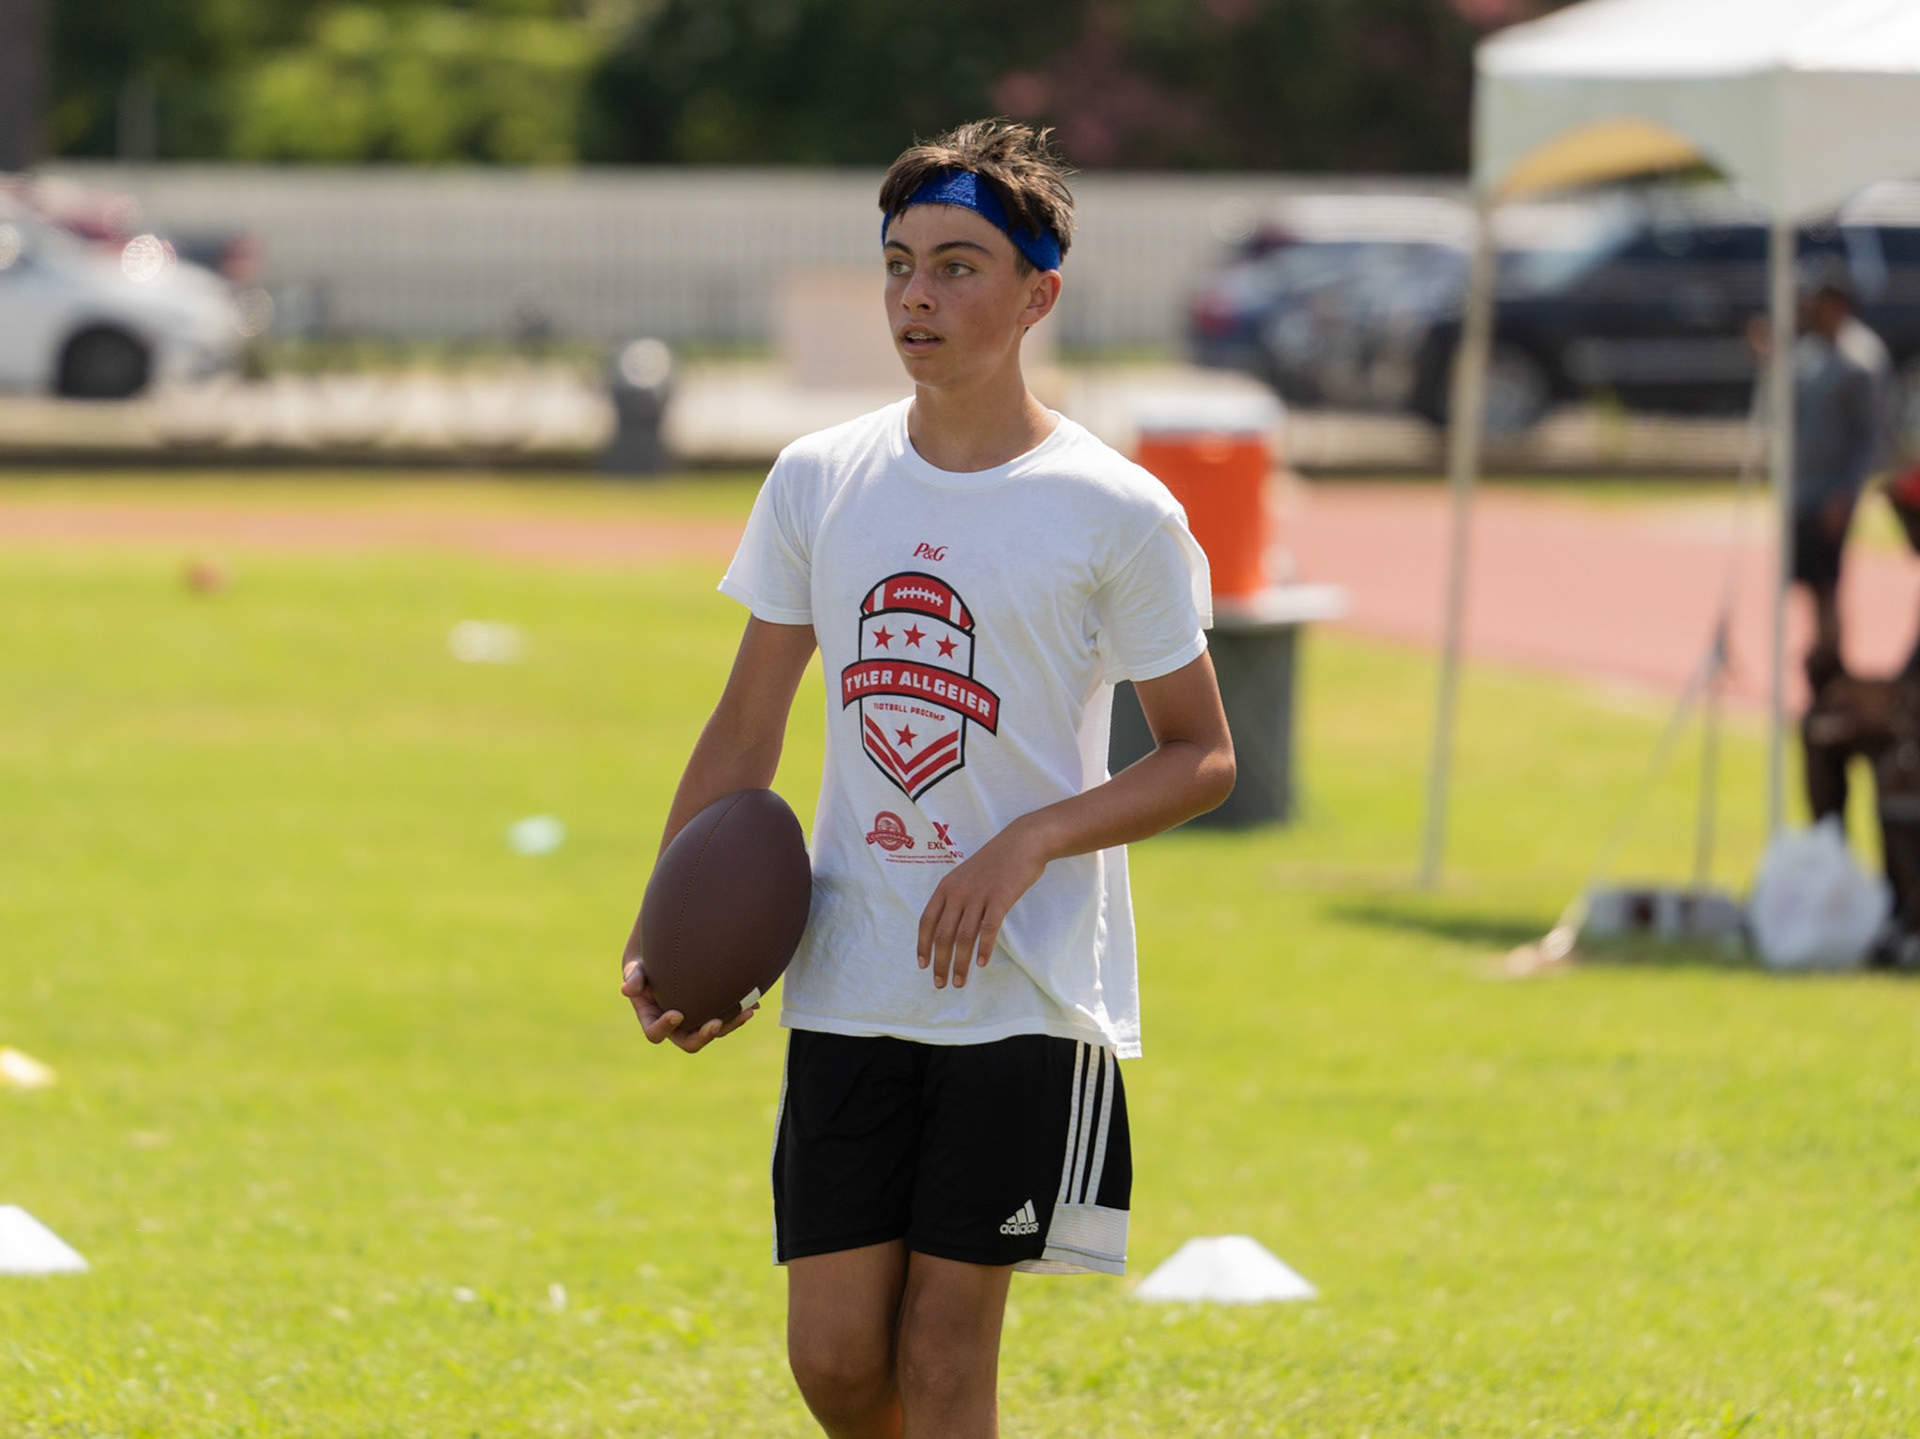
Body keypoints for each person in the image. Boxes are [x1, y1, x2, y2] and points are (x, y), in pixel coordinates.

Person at [619, 120, 1236, 1438]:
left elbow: (1202, 753)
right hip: (853, 972)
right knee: (838, 1360)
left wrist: (1029, 841)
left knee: (947, 1352)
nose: (918, 297)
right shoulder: (820, 479)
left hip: (1020, 989)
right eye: (901, 265)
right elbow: (746, 723)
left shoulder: (1117, 510)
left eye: (959, 267)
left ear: (1037, 297)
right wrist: (668, 936)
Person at [1789, 269, 1891, 683]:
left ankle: (1831, 665)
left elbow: (1871, 436)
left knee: (1828, 583)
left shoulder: (1860, 358)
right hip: (1803, 488)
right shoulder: (1808, 352)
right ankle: (1820, 660)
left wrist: (1845, 493)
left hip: (1831, 491)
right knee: (1811, 583)